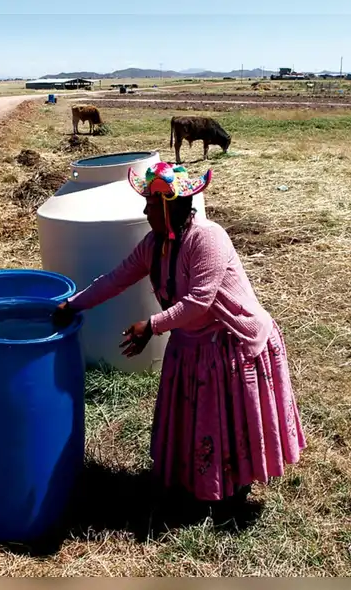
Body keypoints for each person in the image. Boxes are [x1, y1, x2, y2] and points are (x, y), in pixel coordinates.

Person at [53, 161, 306, 503]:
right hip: (191, 344)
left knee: (230, 423)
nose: (146, 211)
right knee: (201, 423)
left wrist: (152, 326)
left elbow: (199, 301)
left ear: (173, 208)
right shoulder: (155, 245)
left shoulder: (208, 238)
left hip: (230, 342)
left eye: (153, 205)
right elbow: (117, 278)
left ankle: (233, 490)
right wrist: (74, 304)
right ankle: (203, 484)